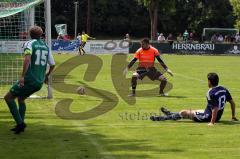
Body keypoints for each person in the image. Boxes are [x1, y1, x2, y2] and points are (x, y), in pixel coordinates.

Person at [4, 26, 55, 134]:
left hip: (29, 79)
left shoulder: (30, 43)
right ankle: (20, 125)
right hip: (39, 82)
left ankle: (20, 123)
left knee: (8, 98)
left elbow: (27, 59)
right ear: (41, 35)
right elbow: (52, 65)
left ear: (30, 34)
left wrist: (22, 76)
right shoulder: (46, 46)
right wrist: (46, 76)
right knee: (21, 99)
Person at [150, 73, 238, 126]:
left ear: (210, 82)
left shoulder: (210, 92)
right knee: (187, 112)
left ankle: (161, 118)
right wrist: (233, 116)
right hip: (209, 113)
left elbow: (215, 108)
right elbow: (232, 103)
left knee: (184, 113)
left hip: (207, 116)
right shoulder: (224, 89)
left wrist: (212, 122)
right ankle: (170, 113)